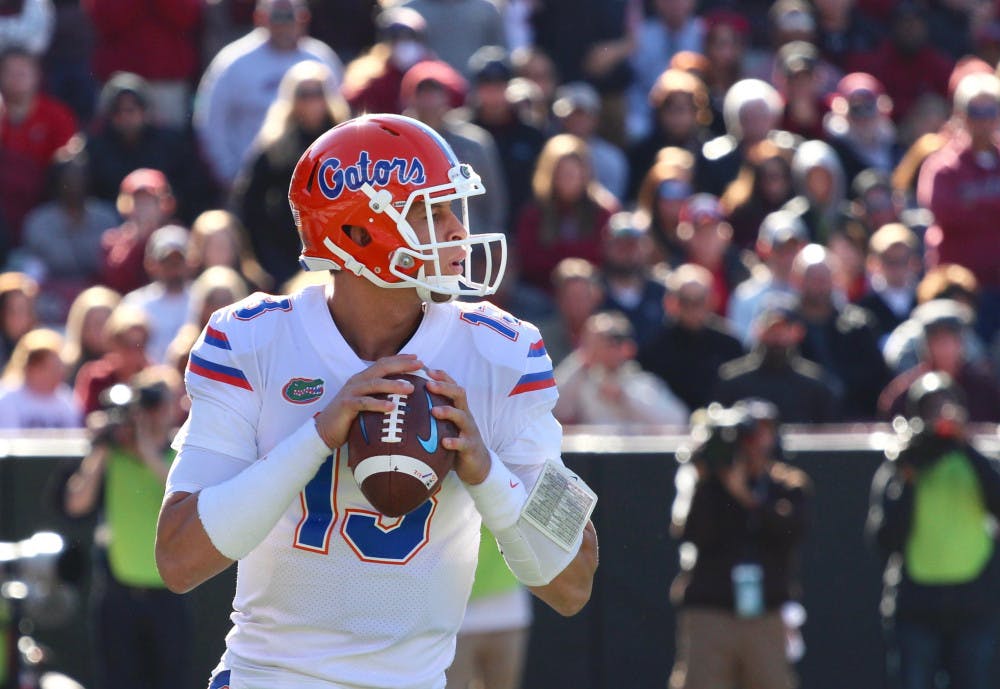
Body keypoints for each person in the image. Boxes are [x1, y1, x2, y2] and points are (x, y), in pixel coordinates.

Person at [154, 114, 598, 689]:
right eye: (432, 214)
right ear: (359, 235)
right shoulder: (250, 340)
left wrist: (486, 470)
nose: (459, 233)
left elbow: (573, 582)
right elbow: (179, 558)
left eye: (453, 211)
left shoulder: (504, 351)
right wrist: (315, 437)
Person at [867, 371, 1000, 689]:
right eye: (930, 409)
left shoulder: (973, 461)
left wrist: (965, 446)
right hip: (917, 609)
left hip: (973, 606)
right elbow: (885, 538)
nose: (940, 416)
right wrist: (909, 475)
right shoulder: (901, 469)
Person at [64, 366, 190, 689]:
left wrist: (148, 449)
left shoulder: (180, 455)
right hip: (117, 596)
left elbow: (183, 497)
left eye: (159, 404)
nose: (152, 414)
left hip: (168, 596)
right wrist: (102, 447)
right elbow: (76, 503)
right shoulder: (112, 455)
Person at [669, 399, 810, 689]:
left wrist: (745, 496)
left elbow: (790, 530)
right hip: (711, 611)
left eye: (763, 433)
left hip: (765, 614)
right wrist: (705, 475)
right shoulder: (709, 485)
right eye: (748, 435)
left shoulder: (787, 485)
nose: (754, 444)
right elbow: (689, 532)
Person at [193, 0, 342, 189]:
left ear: (305, 18)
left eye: (290, 17)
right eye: (277, 17)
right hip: (251, 179)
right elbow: (210, 120)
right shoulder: (233, 62)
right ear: (260, 18)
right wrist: (227, 172)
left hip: (319, 181)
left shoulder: (321, 58)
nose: (284, 25)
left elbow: (340, 118)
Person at [230, 59, 349, 285]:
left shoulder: (345, 142)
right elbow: (248, 204)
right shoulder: (274, 148)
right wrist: (268, 262)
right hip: (285, 255)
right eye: (304, 94)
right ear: (291, 99)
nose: (312, 100)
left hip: (340, 255)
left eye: (318, 93)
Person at [918, 72, 1000, 344]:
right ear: (961, 114)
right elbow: (944, 212)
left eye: (992, 110)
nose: (984, 119)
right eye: (976, 111)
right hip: (957, 292)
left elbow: (965, 214)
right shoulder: (943, 166)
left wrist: (975, 205)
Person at [514, 133, 619, 291]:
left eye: (573, 173)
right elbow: (529, 259)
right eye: (562, 173)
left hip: (591, 292)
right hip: (542, 294)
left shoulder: (604, 211)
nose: (568, 179)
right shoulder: (534, 213)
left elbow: (606, 255)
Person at [714, 293, 838, 423]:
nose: (777, 336)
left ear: (798, 332)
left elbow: (828, 431)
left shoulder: (816, 383)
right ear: (757, 329)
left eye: (784, 329)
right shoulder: (732, 379)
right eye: (771, 328)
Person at [638, 263, 744, 412]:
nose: (693, 308)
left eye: (700, 300)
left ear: (712, 300)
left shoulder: (730, 343)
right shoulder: (654, 346)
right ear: (671, 302)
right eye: (685, 301)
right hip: (670, 430)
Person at [553, 310, 688, 427]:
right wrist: (582, 358)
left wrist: (623, 396)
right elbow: (552, 407)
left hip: (636, 454)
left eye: (613, 341)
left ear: (628, 347)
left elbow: (677, 419)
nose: (606, 348)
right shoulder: (580, 381)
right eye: (599, 342)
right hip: (593, 456)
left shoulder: (642, 382)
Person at [97, 167, 177, 295]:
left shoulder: (176, 237)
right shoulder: (112, 241)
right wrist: (138, 240)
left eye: (149, 201)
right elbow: (115, 282)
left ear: (163, 204)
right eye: (138, 202)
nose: (144, 208)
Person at [122, 225, 192, 365]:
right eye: (166, 262)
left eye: (177, 262)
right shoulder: (135, 303)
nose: (173, 268)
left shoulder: (202, 298)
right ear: (151, 264)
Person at [0, 328, 80, 429]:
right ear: (31, 368)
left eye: (60, 367)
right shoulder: (6, 400)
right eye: (52, 368)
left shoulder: (67, 400)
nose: (59, 373)